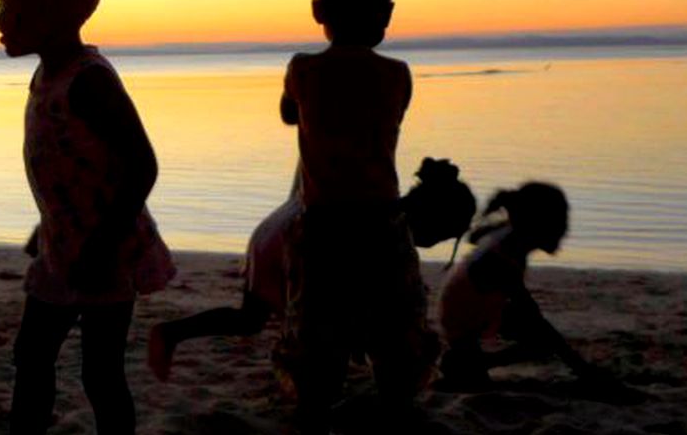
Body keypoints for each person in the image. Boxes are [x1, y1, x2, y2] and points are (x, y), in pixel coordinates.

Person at [0, 0, 175, 435]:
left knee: (101, 374)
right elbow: (70, 164)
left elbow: (142, 166)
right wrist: (45, 225)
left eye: (10, 3)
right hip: (62, 248)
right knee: (31, 358)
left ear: (56, 9)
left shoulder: (89, 81)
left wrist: (100, 246)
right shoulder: (46, 74)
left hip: (104, 254)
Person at [146, 157, 476, 387]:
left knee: (251, 318)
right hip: (291, 239)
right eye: (441, 236)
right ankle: (170, 334)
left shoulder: (381, 205)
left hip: (284, 226)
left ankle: (171, 333)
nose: (433, 244)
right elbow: (354, 291)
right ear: (431, 217)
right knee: (265, 320)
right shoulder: (382, 227)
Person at [281, 0, 418, 435]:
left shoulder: (302, 70)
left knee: (316, 348)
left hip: (324, 228)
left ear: (318, 12)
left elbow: (289, 113)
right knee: (394, 341)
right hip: (384, 223)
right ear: (386, 13)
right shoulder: (398, 74)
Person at [435, 183, 634, 398]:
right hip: (463, 321)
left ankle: (474, 361)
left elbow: (475, 240)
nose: (565, 231)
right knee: (541, 340)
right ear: (537, 224)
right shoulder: (502, 260)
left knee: (543, 340)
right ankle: (466, 360)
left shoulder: (510, 237)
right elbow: (533, 316)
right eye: (560, 222)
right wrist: (582, 369)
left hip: (479, 307)